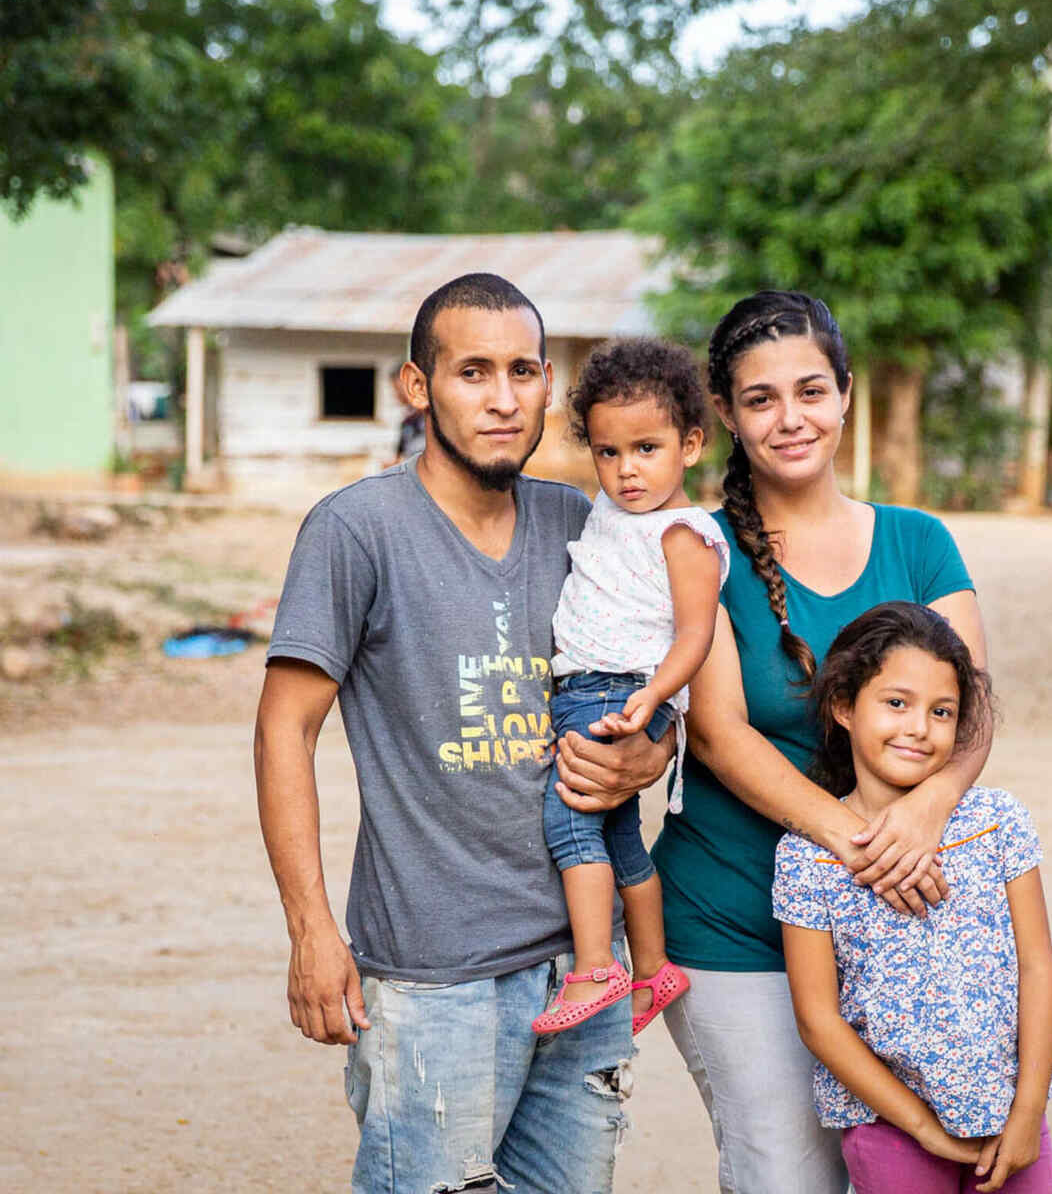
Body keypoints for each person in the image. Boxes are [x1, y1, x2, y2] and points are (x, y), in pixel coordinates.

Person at [253, 272, 675, 1194]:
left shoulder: (585, 524)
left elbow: (661, 661)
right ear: (418, 387)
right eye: (472, 371)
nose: (502, 398)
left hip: (582, 969)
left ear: (549, 387)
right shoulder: (356, 531)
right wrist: (312, 930)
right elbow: (286, 728)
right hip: (431, 978)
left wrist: (658, 746)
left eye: (523, 371)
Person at [647, 290, 991, 1193]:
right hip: (736, 921)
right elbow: (720, 736)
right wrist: (865, 844)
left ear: (845, 392)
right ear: (724, 413)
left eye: (810, 391)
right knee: (787, 1176)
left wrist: (927, 819)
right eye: (760, 399)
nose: (790, 419)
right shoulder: (699, 548)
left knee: (899, 1170)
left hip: (894, 930)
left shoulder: (919, 542)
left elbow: (974, 709)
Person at [775, 602, 1052, 1194]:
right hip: (890, 1129)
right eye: (896, 703)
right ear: (842, 707)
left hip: (1010, 1117)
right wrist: (921, 1129)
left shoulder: (997, 823)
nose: (918, 728)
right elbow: (819, 1019)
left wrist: (1029, 1110)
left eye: (942, 712)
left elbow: (1038, 967)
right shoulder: (806, 858)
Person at [532, 340, 729, 1038]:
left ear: (692, 445)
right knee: (619, 841)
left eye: (647, 448)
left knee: (570, 819)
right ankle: (652, 969)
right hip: (595, 687)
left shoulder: (683, 533)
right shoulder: (611, 513)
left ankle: (594, 967)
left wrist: (654, 699)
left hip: (619, 690)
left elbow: (695, 635)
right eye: (609, 453)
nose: (626, 470)